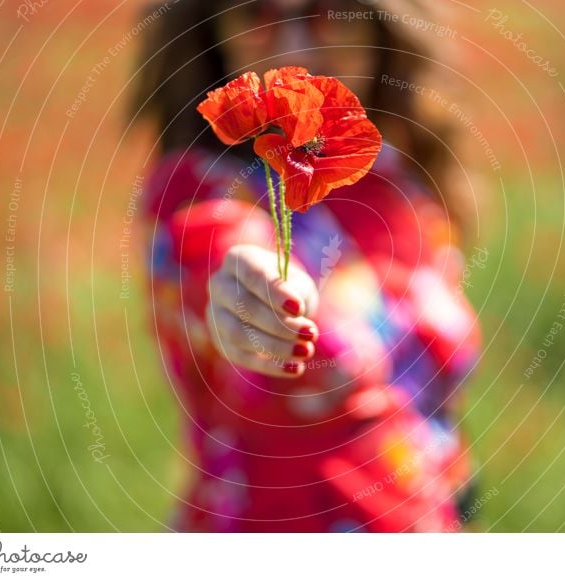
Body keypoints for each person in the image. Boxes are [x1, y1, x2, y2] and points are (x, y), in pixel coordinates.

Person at [133, 0, 481, 532]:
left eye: (329, 10)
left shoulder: (401, 182)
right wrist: (261, 290)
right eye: (256, 15)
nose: (293, 51)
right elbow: (224, 252)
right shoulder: (195, 188)